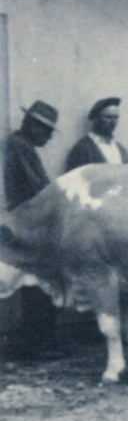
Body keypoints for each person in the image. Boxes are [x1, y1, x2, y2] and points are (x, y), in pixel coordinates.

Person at [3, 100, 65, 360]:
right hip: (26, 226)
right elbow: (38, 189)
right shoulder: (19, 147)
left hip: (26, 224)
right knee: (38, 283)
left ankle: (44, 341)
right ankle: (40, 344)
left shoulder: (20, 146)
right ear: (32, 126)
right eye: (47, 130)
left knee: (39, 283)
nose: (50, 136)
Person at [64, 97, 128, 171]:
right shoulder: (82, 149)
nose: (113, 122)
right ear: (95, 118)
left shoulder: (122, 151)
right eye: (108, 117)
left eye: (116, 117)